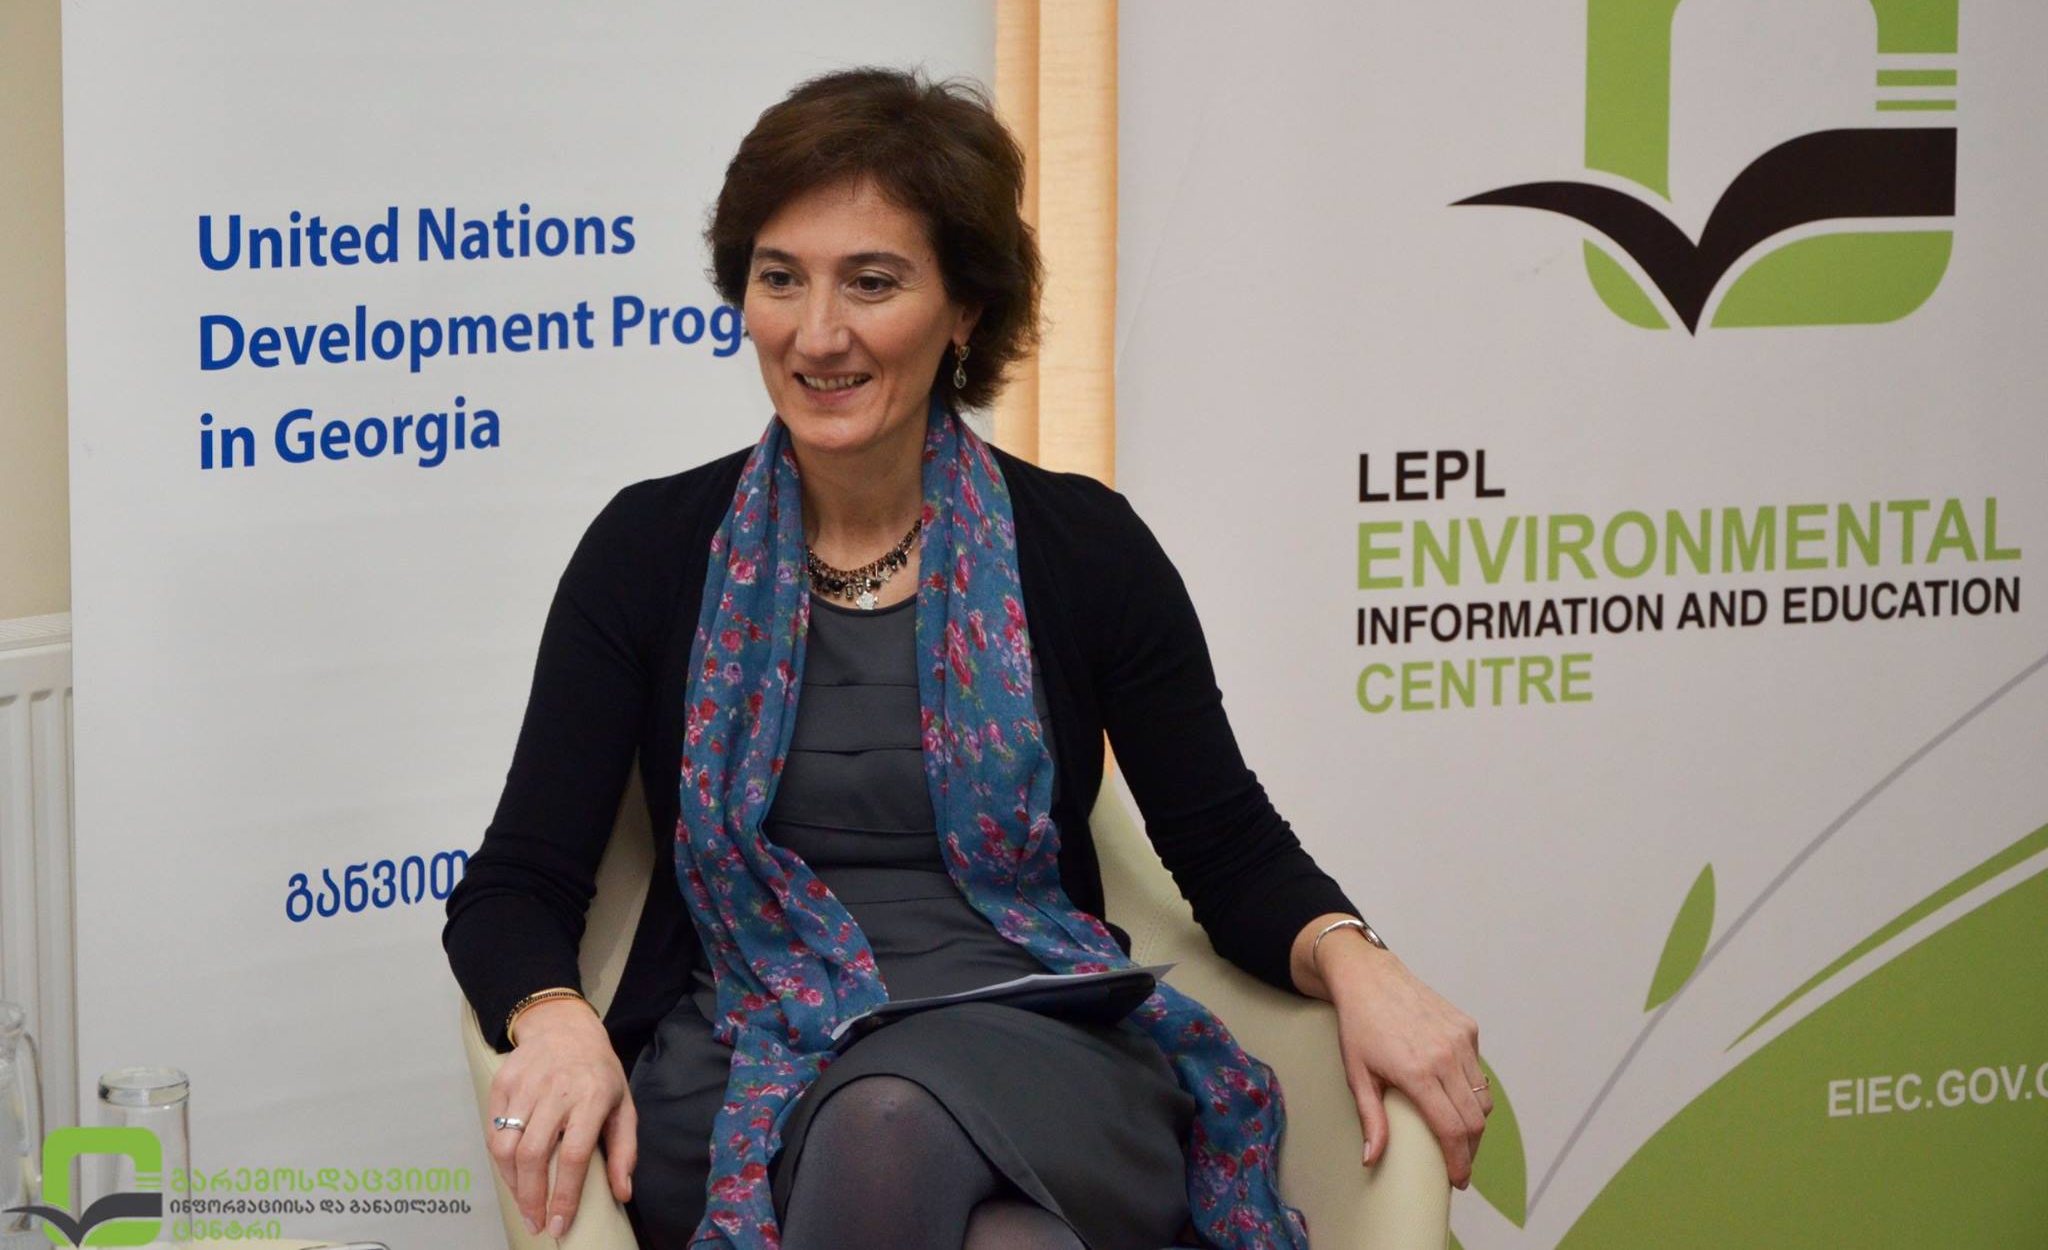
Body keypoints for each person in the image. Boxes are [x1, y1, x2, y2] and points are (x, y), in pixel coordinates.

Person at [442, 66, 1490, 1250]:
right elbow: (516, 883)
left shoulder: (1083, 547)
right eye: (779, 278)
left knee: (892, 1123)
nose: (815, 333)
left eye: (871, 281)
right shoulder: (649, 551)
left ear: (965, 312)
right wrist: (553, 1014)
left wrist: (1359, 962)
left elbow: (1225, 846)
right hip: (746, 1067)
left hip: (1037, 1051)